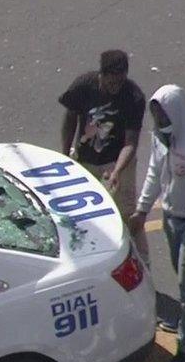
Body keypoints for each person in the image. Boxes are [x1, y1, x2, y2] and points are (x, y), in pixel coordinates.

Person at [59, 49, 148, 262]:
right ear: (102, 74)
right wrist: (65, 154)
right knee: (85, 218)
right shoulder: (83, 86)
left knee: (126, 216)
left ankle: (143, 262)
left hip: (116, 162)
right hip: (86, 160)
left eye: (120, 82)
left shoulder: (133, 97)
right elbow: (70, 120)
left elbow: (130, 142)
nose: (115, 87)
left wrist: (117, 170)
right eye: (111, 83)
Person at [130, 85, 185, 362]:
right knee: (184, 280)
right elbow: (154, 174)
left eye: (162, 114)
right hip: (170, 218)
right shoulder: (160, 138)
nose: (159, 121)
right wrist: (142, 211)